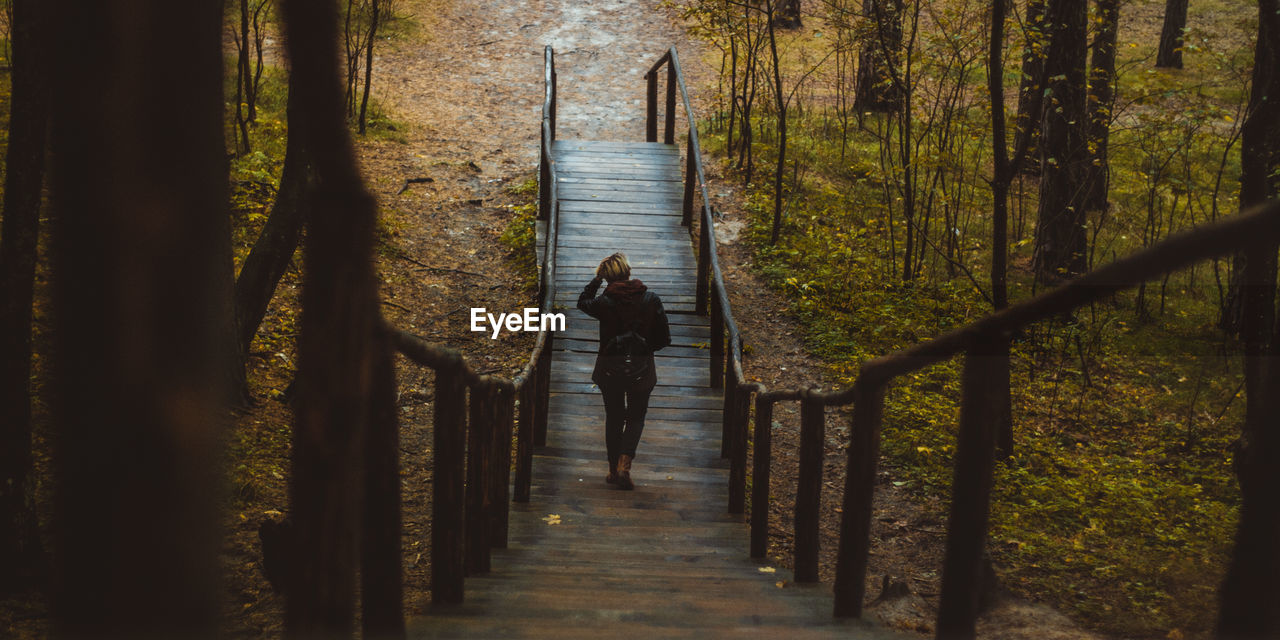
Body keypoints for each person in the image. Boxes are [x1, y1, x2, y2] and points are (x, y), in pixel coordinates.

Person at [577, 252, 671, 490]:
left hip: (610, 370)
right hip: (642, 369)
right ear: (629, 272)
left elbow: (582, 302)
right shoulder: (651, 299)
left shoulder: (604, 303)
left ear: (607, 277)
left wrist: (596, 280)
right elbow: (664, 338)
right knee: (637, 417)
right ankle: (624, 464)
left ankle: (611, 469)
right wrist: (645, 347)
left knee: (614, 417)